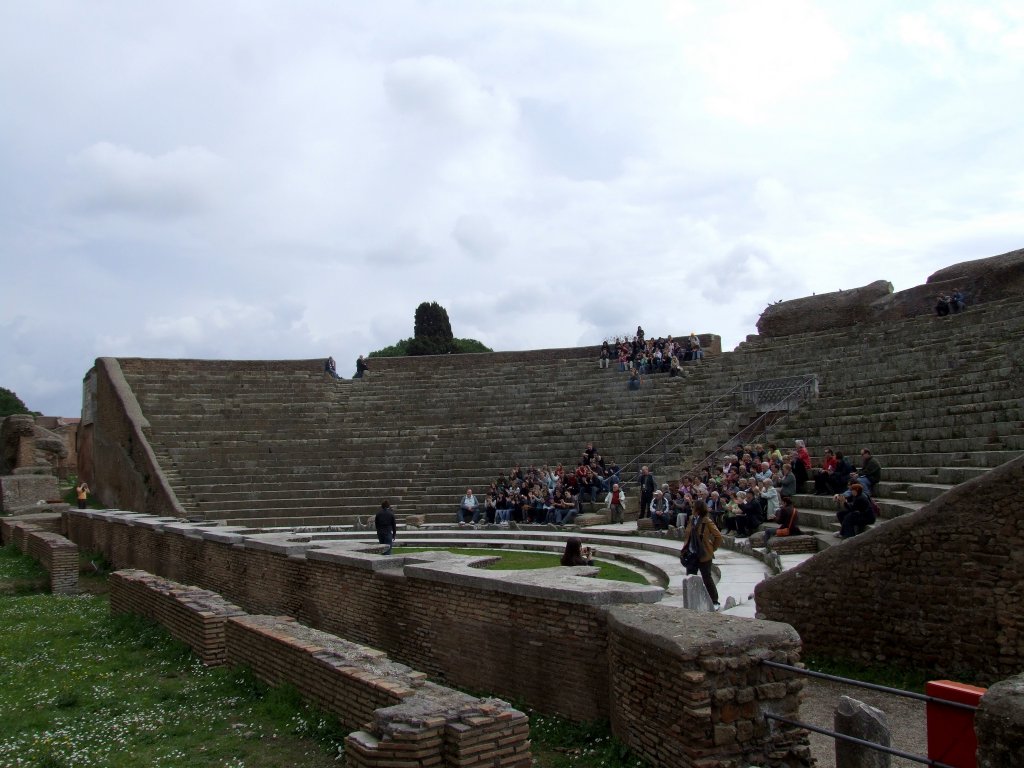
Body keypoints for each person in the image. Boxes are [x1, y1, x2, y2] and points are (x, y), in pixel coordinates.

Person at [682, 500, 723, 609]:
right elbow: (687, 535)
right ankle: (692, 600)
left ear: (698, 509)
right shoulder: (691, 519)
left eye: (693, 507)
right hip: (691, 553)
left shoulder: (707, 521)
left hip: (704, 554)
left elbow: (718, 536)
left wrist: (712, 548)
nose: (691, 509)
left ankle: (714, 601)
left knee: (707, 577)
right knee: (690, 577)